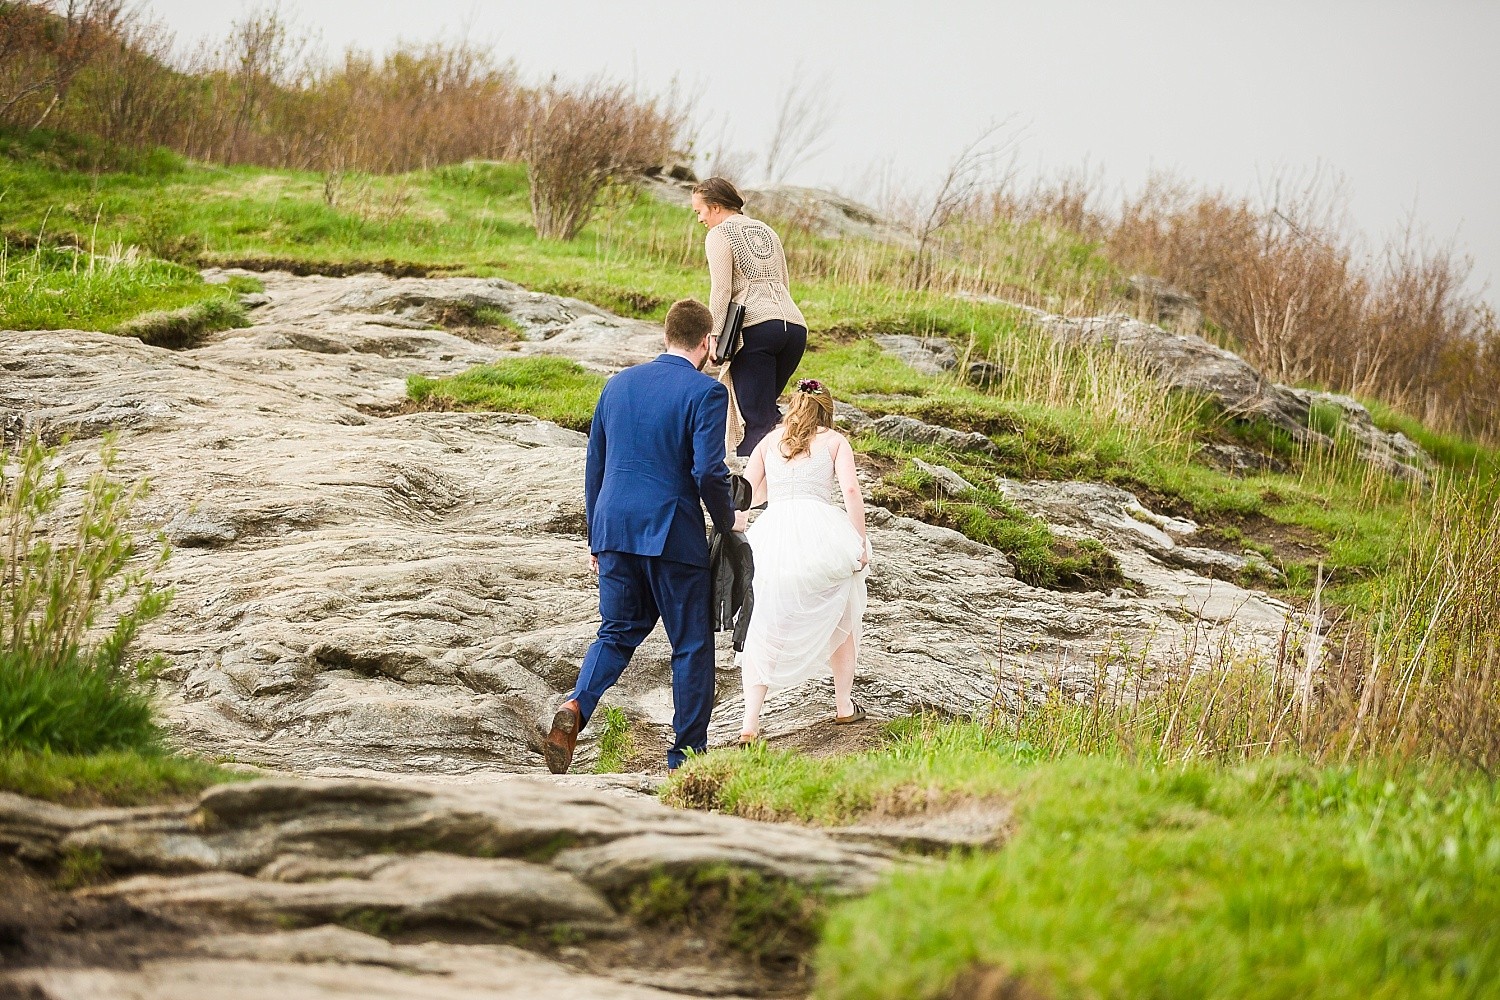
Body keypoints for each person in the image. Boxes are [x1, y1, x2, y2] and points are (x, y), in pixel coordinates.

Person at [542, 298, 749, 774]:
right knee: (691, 645)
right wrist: (728, 521)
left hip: (614, 530)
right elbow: (707, 472)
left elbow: (594, 465)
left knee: (616, 632)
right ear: (707, 343)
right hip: (671, 535)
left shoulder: (617, 386)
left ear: (664, 336)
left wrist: (596, 537)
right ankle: (686, 756)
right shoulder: (706, 393)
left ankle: (577, 706)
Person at [735, 378, 870, 742]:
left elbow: (743, 495)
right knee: (842, 611)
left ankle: (750, 723)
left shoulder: (767, 443)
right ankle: (843, 706)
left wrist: (738, 536)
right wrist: (859, 540)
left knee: (765, 623)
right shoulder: (835, 442)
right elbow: (852, 491)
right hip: (822, 535)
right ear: (827, 412)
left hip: (774, 535)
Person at [691, 177, 809, 457]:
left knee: (755, 419)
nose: (700, 219)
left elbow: (721, 288)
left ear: (716, 207)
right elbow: (784, 282)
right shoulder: (768, 231)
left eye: (700, 212)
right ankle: (791, 465)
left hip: (756, 330)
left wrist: (715, 336)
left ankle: (759, 495)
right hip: (794, 329)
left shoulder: (719, 234)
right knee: (766, 412)